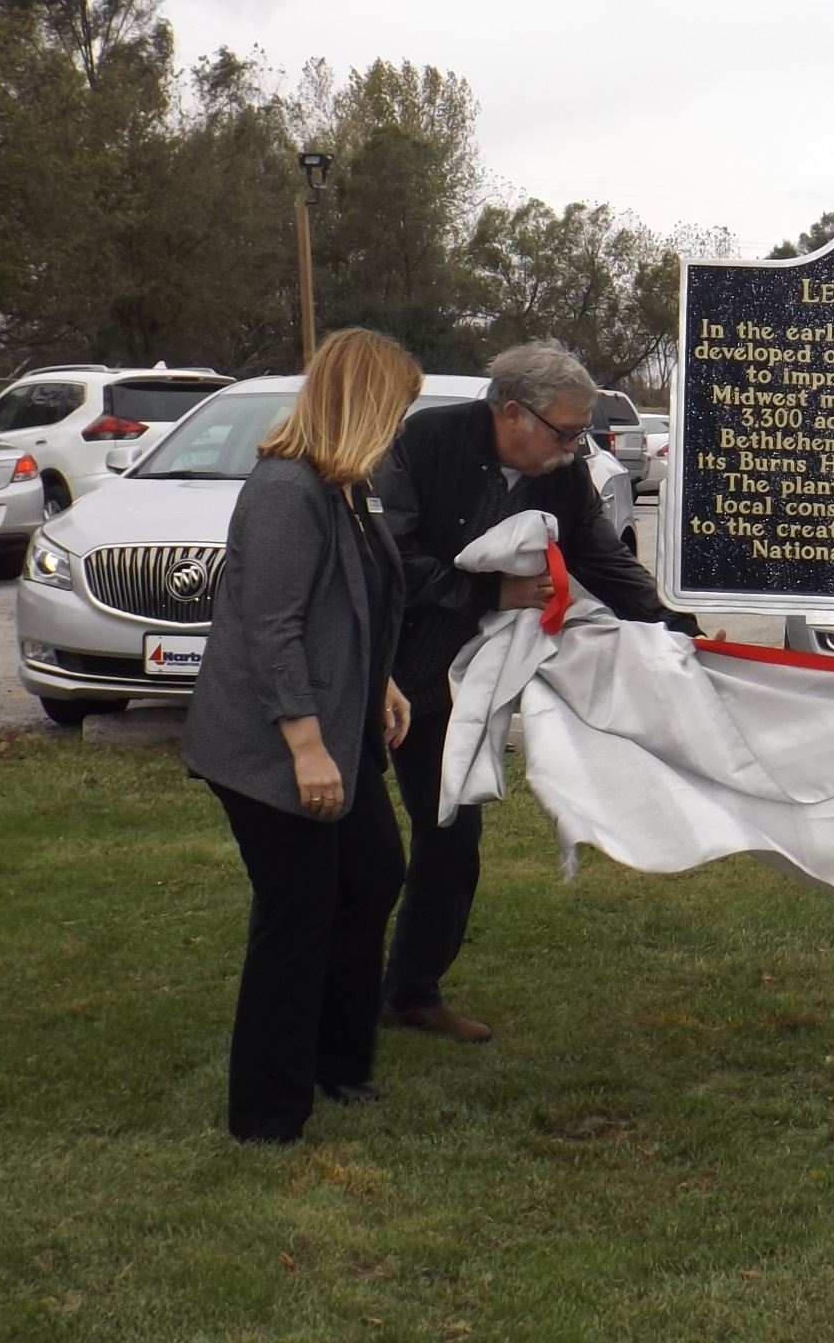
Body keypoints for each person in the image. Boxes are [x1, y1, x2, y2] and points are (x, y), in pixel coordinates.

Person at [375, 340, 698, 1041]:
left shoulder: (559, 470)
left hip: (471, 685)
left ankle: (410, 993)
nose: (577, 445)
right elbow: (391, 560)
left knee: (450, 836)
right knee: (360, 847)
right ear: (513, 414)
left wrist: (671, 626)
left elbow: (597, 552)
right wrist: (492, 590)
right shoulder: (427, 443)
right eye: (567, 431)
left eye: (582, 432)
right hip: (387, 671)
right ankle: (332, 988)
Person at [181, 327, 422, 1144]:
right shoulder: (288, 488)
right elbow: (271, 630)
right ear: (364, 406)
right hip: (272, 741)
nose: (400, 429)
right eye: (396, 411)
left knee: (372, 878)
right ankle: (267, 1114)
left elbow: (349, 602)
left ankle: (338, 1063)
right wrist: (308, 747)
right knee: (299, 910)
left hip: (338, 719)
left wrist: (379, 678)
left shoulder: (345, 486)